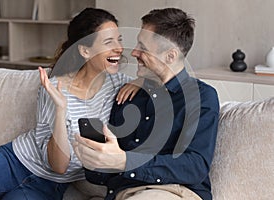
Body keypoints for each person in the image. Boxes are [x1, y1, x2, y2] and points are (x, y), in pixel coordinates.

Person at [0, 8, 139, 200]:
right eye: (108, 42)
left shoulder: (120, 84)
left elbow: (59, 167)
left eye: (119, 39)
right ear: (85, 50)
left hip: (50, 183)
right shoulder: (55, 86)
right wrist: (60, 106)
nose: (119, 48)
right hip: (14, 160)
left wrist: (142, 80)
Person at [74, 7, 220, 200]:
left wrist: (126, 162)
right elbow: (102, 175)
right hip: (123, 193)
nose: (134, 52)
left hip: (175, 192)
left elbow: (195, 165)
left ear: (170, 56)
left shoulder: (202, 97)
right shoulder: (129, 95)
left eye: (143, 48)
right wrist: (95, 159)